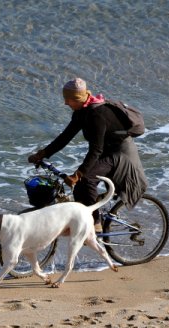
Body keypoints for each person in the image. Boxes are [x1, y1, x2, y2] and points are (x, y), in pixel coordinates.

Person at [28, 78, 148, 232]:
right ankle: (88, 220)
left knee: (86, 179)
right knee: (79, 186)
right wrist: (42, 154)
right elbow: (65, 137)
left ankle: (95, 224)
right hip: (106, 151)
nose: (66, 103)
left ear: (77, 99)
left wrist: (78, 174)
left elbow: (96, 150)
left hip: (120, 152)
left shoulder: (97, 115)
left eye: (68, 100)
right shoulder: (81, 112)